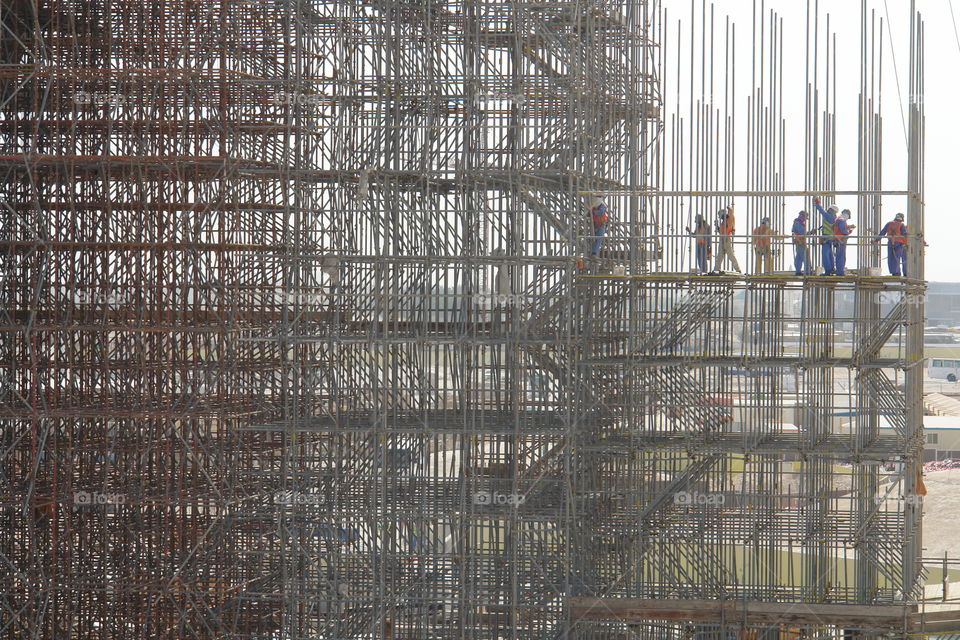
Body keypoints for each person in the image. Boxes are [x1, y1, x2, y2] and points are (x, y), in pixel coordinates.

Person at [876, 212, 908, 277]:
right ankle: (900, 273)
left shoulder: (889, 224)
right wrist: (905, 243)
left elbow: (882, 233)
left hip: (891, 242)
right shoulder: (901, 225)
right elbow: (905, 234)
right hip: (899, 244)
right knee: (897, 258)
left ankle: (895, 273)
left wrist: (876, 240)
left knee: (891, 258)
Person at [712, 204, 741, 274]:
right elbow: (721, 232)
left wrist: (728, 206)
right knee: (719, 256)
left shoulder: (729, 218)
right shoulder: (723, 223)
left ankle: (738, 270)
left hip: (727, 239)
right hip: (722, 239)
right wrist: (717, 227)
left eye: (720, 215)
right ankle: (716, 269)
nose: (720, 217)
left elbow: (731, 211)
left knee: (731, 255)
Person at [813, 197, 838, 275]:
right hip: (830, 237)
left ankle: (828, 270)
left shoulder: (829, 216)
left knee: (825, 254)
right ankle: (832, 268)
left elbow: (821, 211)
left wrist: (817, 203)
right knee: (830, 253)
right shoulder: (834, 218)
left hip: (826, 237)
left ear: (831, 210)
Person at [833, 209, 856, 276]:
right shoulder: (841, 220)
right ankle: (840, 272)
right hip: (840, 241)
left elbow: (842, 228)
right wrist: (849, 231)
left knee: (839, 256)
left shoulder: (839, 219)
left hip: (839, 240)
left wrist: (848, 227)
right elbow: (843, 230)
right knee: (841, 256)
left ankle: (839, 271)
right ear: (847, 214)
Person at [791, 210, 813, 275]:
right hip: (800, 242)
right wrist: (811, 232)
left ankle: (803, 271)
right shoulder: (797, 223)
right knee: (802, 257)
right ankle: (805, 271)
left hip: (801, 242)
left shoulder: (799, 223)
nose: (805, 220)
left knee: (801, 257)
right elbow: (803, 233)